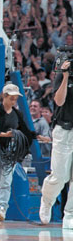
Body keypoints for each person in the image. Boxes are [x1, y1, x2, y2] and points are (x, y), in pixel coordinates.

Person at [0, 83, 49, 223]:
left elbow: (25, 131)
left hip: (10, 153)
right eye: (11, 98)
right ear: (5, 96)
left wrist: (38, 136)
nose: (14, 101)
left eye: (15, 99)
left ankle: (2, 209)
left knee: (6, 182)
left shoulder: (17, 114)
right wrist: (4, 134)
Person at [40, 59, 73, 227]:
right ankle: (47, 200)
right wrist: (65, 76)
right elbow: (59, 101)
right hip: (63, 129)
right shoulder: (63, 73)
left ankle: (69, 214)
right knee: (60, 175)